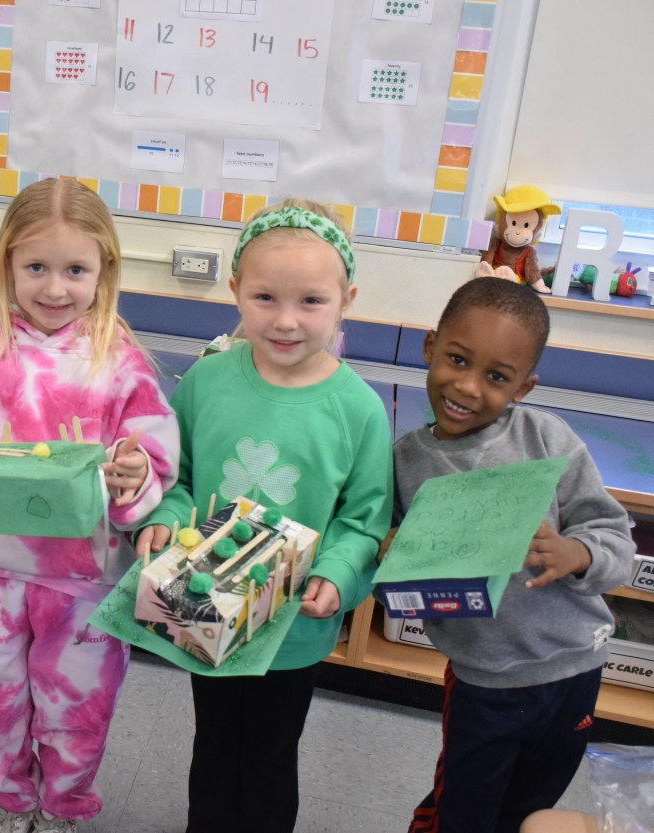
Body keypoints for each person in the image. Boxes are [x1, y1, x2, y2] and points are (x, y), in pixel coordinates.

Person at [0, 177, 179, 833]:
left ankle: (62, 808)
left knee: (75, 705)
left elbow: (153, 462)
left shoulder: (123, 366)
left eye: (75, 269)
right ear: (6, 266)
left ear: (103, 269)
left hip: (84, 577)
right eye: (36, 267)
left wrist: (135, 473)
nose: (55, 288)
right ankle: (12, 802)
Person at [137, 198, 393, 833]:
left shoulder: (358, 409)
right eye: (264, 299)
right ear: (235, 292)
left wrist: (335, 575)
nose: (286, 322)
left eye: (311, 301)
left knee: (273, 756)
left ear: (346, 299)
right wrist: (164, 517)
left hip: (292, 627)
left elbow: (363, 521)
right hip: (205, 608)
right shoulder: (205, 381)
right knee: (215, 746)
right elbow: (182, 475)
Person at [395, 277, 636, 833]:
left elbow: (616, 542)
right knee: (461, 812)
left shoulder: (548, 440)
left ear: (524, 387)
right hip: (486, 682)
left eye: (496, 377)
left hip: (574, 670)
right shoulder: (406, 461)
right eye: (457, 359)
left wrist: (577, 552)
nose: (468, 387)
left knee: (531, 814)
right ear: (430, 348)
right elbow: (383, 552)